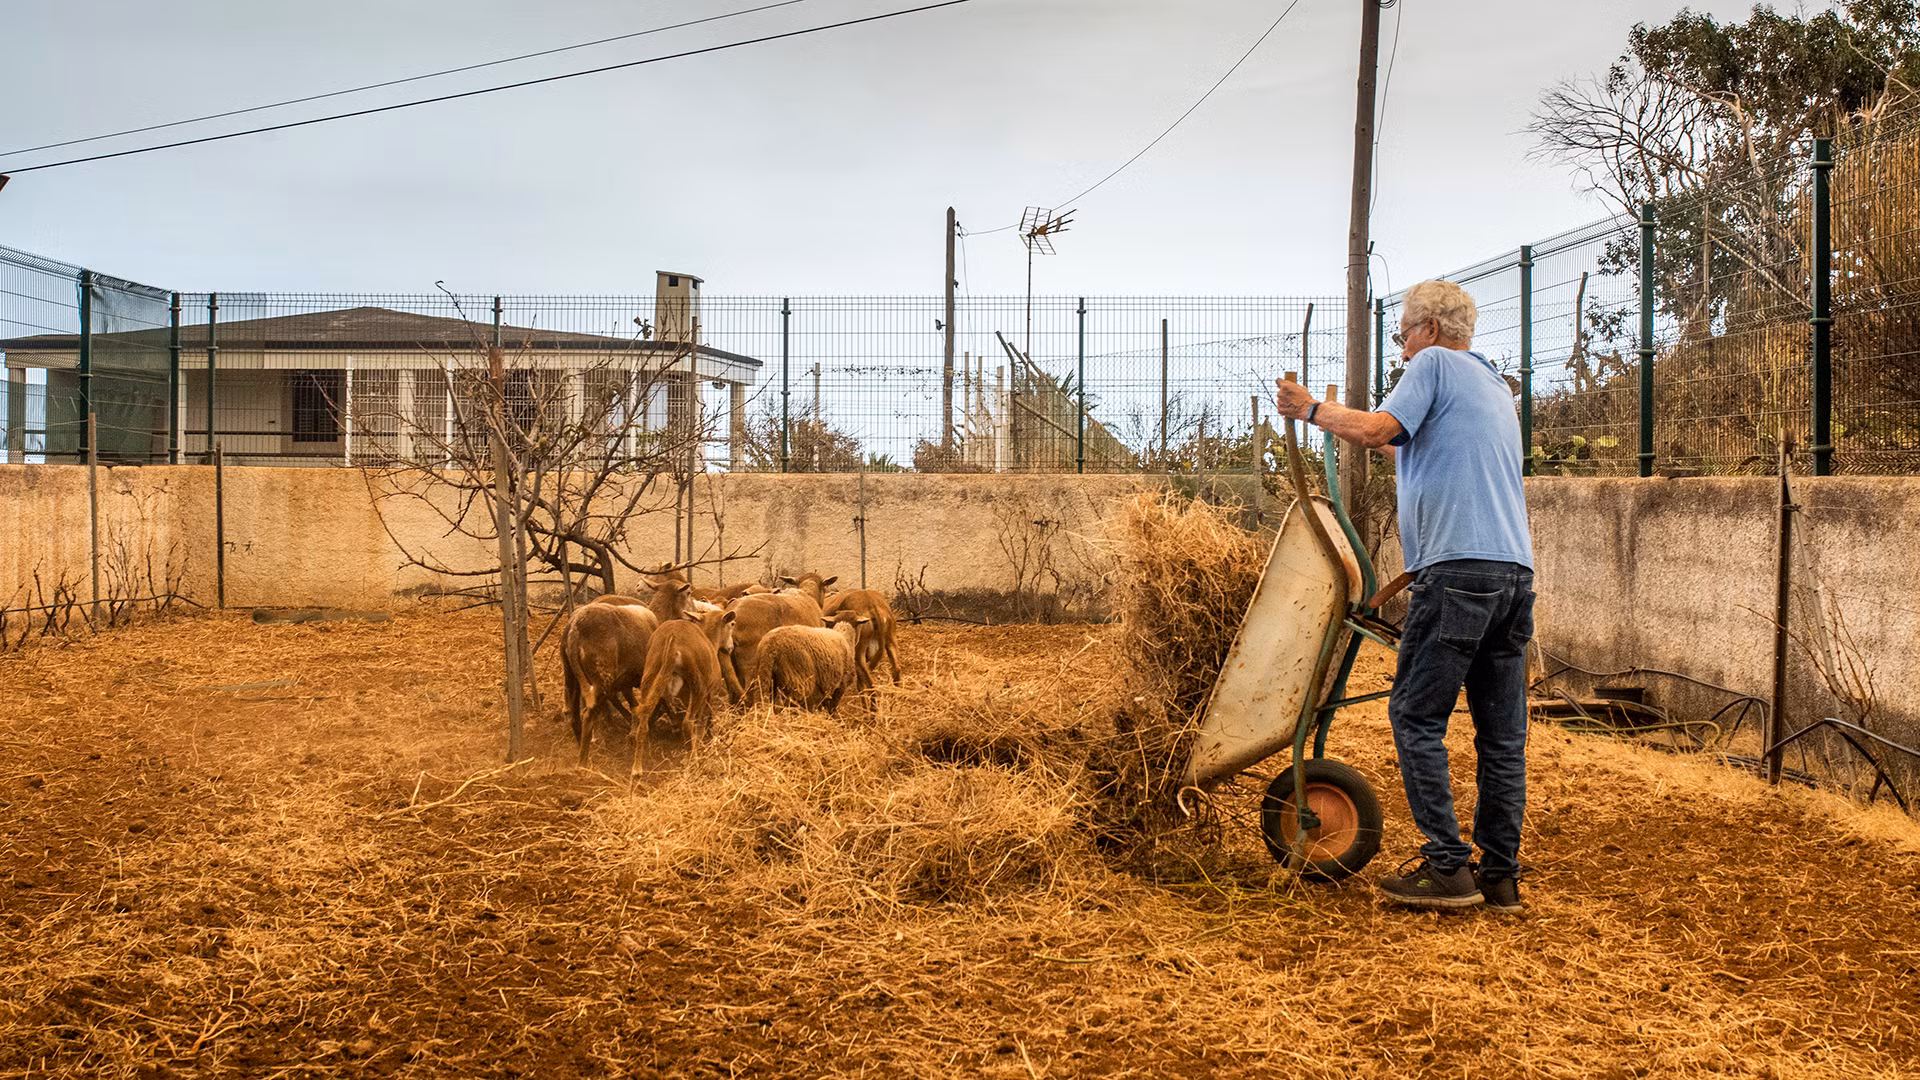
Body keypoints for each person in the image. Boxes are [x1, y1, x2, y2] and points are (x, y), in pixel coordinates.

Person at [1272, 279, 1534, 914]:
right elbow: (1402, 441)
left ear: (1431, 330)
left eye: (1404, 335)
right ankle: (1499, 878)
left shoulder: (1434, 364)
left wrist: (1310, 409)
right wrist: (1350, 425)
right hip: (1513, 576)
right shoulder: (1493, 384)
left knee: (1415, 717)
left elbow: (1378, 430)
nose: (1403, 348)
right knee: (1502, 738)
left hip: (1457, 574)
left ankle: (1447, 868)